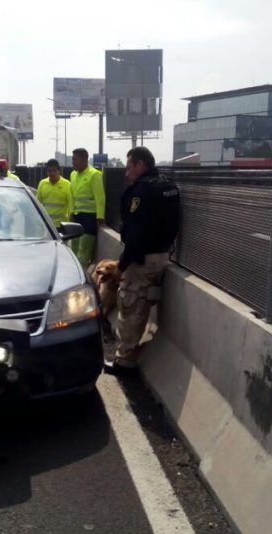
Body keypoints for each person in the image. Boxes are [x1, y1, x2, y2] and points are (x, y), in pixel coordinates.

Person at [109, 146, 180, 374]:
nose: (126, 173)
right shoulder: (168, 186)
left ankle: (124, 361)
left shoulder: (141, 191)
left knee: (131, 306)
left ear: (141, 165)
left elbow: (136, 234)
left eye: (130, 167)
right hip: (162, 255)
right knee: (143, 304)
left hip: (142, 259)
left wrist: (122, 265)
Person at [68, 148, 105, 268]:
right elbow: (72, 196)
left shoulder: (94, 175)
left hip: (89, 217)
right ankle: (73, 271)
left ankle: (82, 274)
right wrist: (71, 212)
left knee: (84, 249)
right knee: (74, 246)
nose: (72, 162)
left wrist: (100, 217)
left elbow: (100, 198)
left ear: (84, 160)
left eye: (75, 159)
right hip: (77, 216)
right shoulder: (73, 175)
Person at [35, 159, 73, 227]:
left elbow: (71, 206)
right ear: (47, 172)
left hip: (61, 225)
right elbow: (37, 204)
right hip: (46, 225)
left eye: (54, 171)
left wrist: (70, 223)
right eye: (49, 171)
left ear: (59, 171)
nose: (52, 173)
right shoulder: (42, 184)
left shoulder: (67, 184)